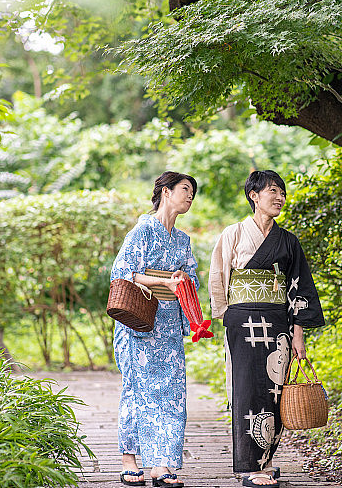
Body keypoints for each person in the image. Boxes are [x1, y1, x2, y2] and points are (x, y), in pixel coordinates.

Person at [208, 170, 325, 488]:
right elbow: (218, 275)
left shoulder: (288, 241)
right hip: (242, 320)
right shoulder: (233, 233)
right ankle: (248, 466)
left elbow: (300, 288)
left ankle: (267, 460)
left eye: (282, 192)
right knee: (246, 390)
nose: (279, 197)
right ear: (254, 196)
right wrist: (224, 315)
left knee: (275, 391)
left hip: (278, 323)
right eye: (272, 190)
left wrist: (298, 331)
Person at [111, 171, 199, 488]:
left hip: (169, 323)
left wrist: (182, 281)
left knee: (171, 395)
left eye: (193, 192)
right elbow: (122, 273)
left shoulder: (184, 240)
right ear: (165, 192)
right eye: (185, 189)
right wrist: (164, 280)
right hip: (139, 319)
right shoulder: (141, 230)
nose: (190, 196)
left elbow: (193, 279)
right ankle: (130, 460)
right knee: (138, 391)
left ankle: (162, 465)